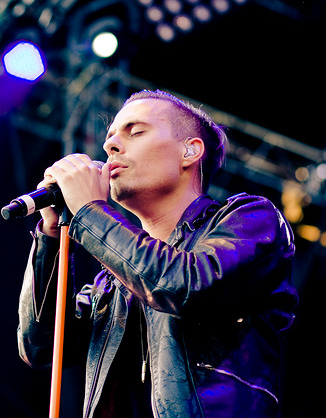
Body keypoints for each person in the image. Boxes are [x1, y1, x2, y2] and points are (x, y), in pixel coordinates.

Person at [17, 89, 298, 417]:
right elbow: (40, 346)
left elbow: (181, 284)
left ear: (189, 152)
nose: (110, 146)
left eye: (135, 132)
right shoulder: (112, 285)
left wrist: (90, 212)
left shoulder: (251, 220)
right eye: (109, 137)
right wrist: (51, 237)